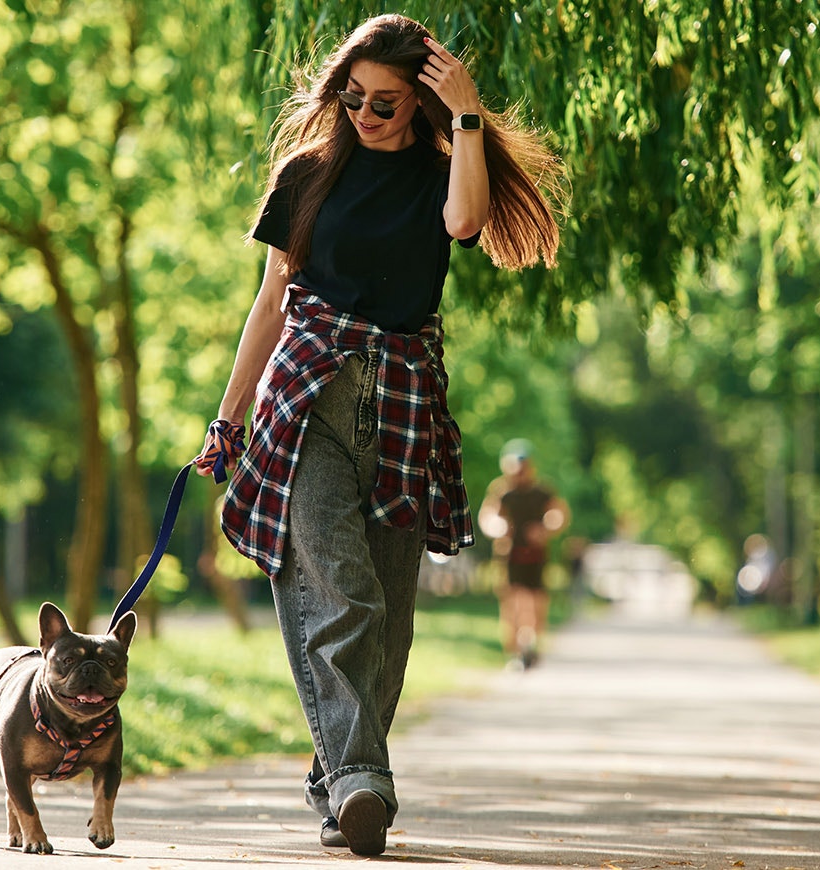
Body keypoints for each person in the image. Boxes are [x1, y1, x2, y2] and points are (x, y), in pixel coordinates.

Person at [192, 13, 562, 857]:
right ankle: (363, 781)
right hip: (307, 395)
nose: (365, 113)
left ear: (420, 103)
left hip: (405, 401)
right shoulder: (307, 176)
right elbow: (270, 300)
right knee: (341, 591)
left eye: (386, 103)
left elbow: (466, 221)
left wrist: (465, 112)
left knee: (389, 622)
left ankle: (339, 784)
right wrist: (229, 414)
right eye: (353, 97)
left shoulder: (442, 172)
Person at [477, 439, 568, 669]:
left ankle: (531, 643)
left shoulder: (542, 491)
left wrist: (545, 529)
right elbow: (487, 516)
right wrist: (497, 526)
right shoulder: (501, 491)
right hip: (510, 558)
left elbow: (559, 514)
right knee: (513, 604)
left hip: (536, 558)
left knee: (536, 605)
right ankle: (516, 652)